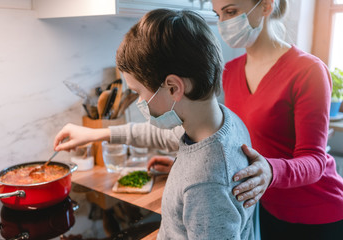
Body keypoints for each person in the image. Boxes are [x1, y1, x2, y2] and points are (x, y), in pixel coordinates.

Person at [55, 0, 343, 239]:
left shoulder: (308, 72)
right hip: (260, 199)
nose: (223, 23)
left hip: (313, 210)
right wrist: (186, 163)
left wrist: (264, 171)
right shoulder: (230, 74)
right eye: (218, 14)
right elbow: (207, 142)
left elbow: (314, 160)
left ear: (266, 5)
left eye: (230, 11)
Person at [56, 8, 255, 239]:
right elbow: (159, 136)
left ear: (173, 88)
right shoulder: (221, 121)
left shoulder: (206, 185)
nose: (139, 102)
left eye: (139, 92)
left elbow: (208, 184)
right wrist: (96, 134)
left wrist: (191, 178)